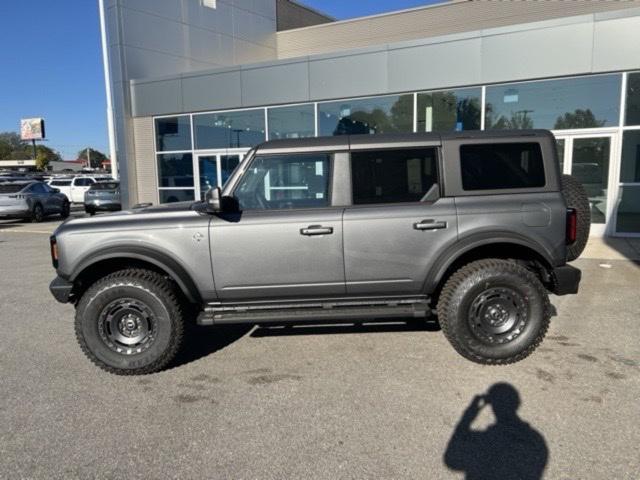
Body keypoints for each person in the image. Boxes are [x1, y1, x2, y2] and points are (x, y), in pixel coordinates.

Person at [444, 383, 548, 480]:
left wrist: (468, 416)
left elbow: (451, 460)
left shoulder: (488, 439)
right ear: (517, 403)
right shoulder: (536, 440)